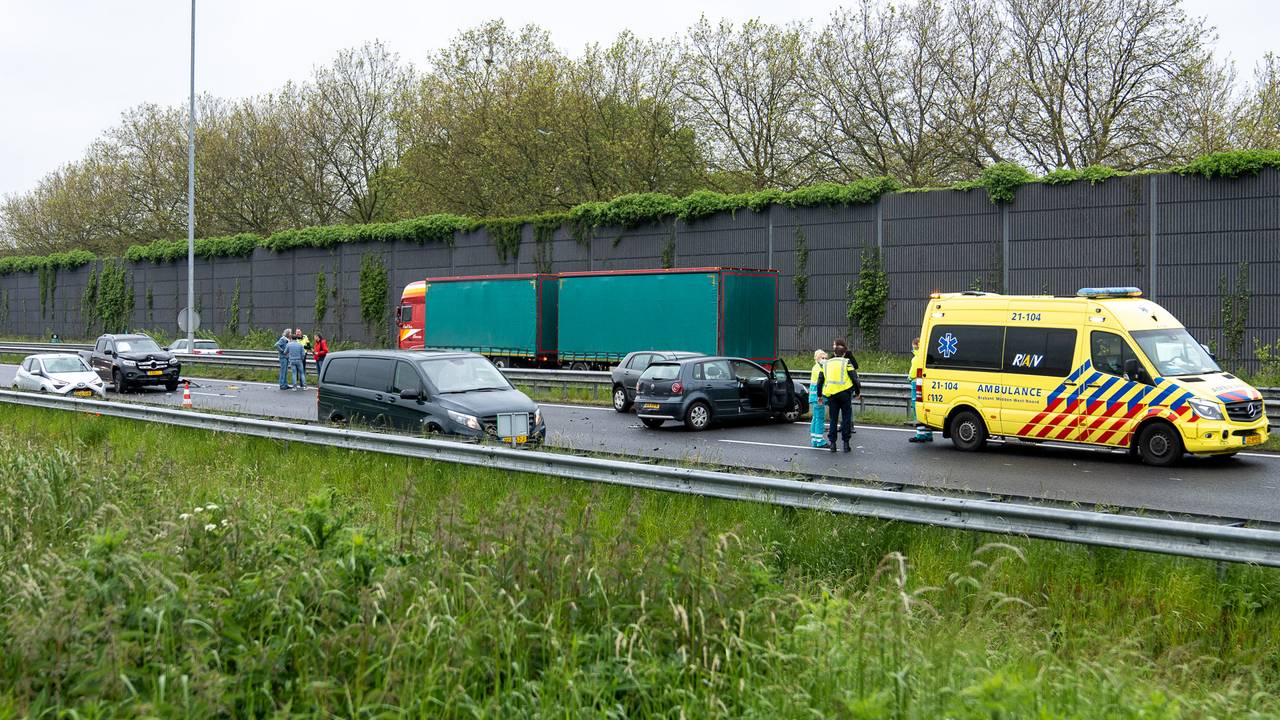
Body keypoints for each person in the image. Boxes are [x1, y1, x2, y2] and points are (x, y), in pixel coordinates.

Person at [817, 339, 861, 453]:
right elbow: (854, 378)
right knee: (846, 419)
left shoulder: (826, 363)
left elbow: (820, 380)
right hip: (845, 394)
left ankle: (833, 444)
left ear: (835, 353)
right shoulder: (847, 362)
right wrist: (857, 392)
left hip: (831, 395)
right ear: (844, 353)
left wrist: (819, 395)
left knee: (833, 419)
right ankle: (846, 444)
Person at [908, 336, 934, 443]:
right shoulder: (927, 357)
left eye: (914, 347)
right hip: (926, 384)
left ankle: (920, 435)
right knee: (925, 409)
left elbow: (913, 373)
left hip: (916, 383)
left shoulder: (916, 359)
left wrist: (909, 377)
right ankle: (928, 433)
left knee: (917, 409)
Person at [808, 349, 830, 448]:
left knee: (815, 418)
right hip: (818, 396)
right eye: (822, 358)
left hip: (814, 396)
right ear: (817, 358)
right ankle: (820, 440)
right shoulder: (819, 369)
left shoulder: (816, 367)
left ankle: (814, 439)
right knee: (819, 418)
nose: (825, 359)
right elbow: (821, 383)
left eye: (826, 358)